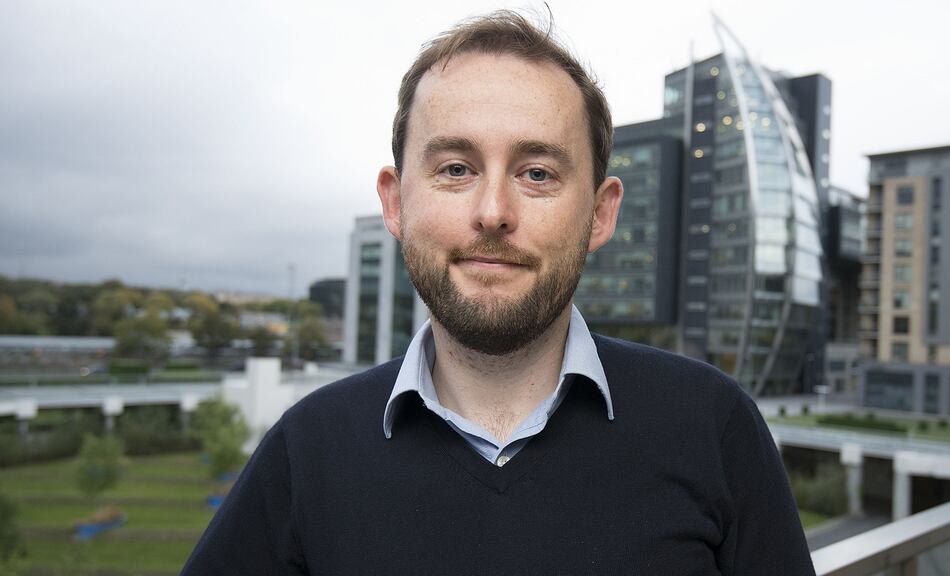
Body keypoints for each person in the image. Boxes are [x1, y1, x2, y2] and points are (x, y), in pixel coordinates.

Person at [182, 10, 814, 575]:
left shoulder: (713, 425)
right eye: (455, 168)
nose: (493, 212)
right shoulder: (306, 451)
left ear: (600, 214)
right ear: (395, 203)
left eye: (537, 173)